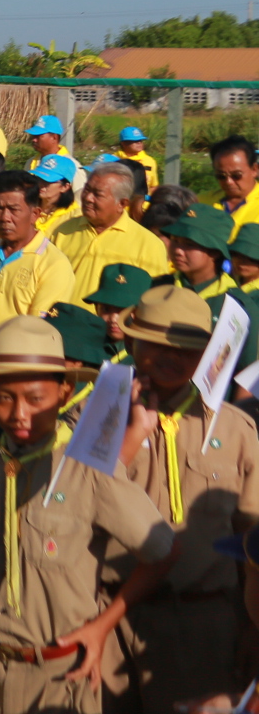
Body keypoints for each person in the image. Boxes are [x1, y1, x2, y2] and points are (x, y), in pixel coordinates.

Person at [0, 316, 176, 714]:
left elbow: (162, 551)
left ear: (65, 391)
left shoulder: (90, 471)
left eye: (35, 398)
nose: (19, 413)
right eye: (3, 397)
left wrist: (102, 626)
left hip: (58, 679)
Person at [113, 285, 259, 714]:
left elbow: (252, 539)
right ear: (131, 344)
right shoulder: (96, 417)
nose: (171, 357)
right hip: (110, 619)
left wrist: (254, 629)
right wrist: (128, 439)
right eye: (155, 345)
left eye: (186, 349)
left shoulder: (235, 430)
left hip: (204, 626)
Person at [0, 170, 76, 339]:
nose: (4, 217)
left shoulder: (53, 264)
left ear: (35, 214)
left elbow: (41, 330)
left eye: (14, 210)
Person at [50, 162, 168, 300]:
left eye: (98, 194)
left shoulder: (148, 244)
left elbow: (156, 297)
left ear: (122, 204)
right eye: (87, 190)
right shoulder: (62, 230)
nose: (88, 198)